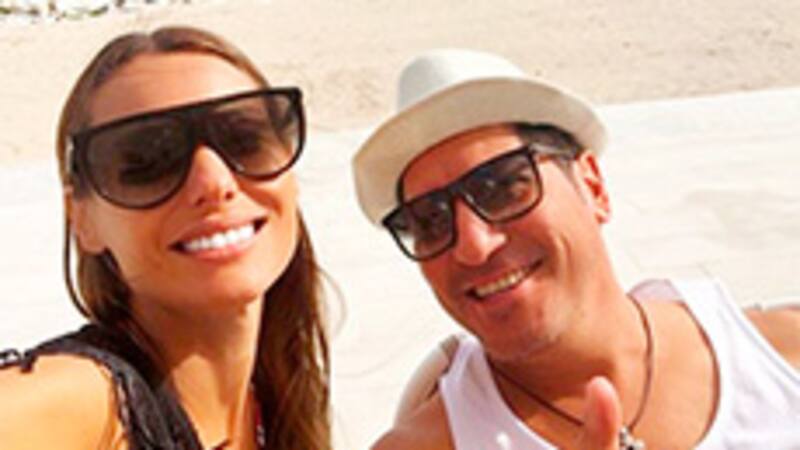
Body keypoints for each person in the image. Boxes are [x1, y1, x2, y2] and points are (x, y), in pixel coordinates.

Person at [352, 48, 800, 450]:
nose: (474, 245)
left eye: (502, 187)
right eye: (430, 221)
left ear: (592, 186)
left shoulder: (778, 362)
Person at [0, 26, 330, 450]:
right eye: (148, 162)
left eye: (244, 140)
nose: (214, 183)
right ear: (82, 218)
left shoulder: (272, 406)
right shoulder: (90, 402)